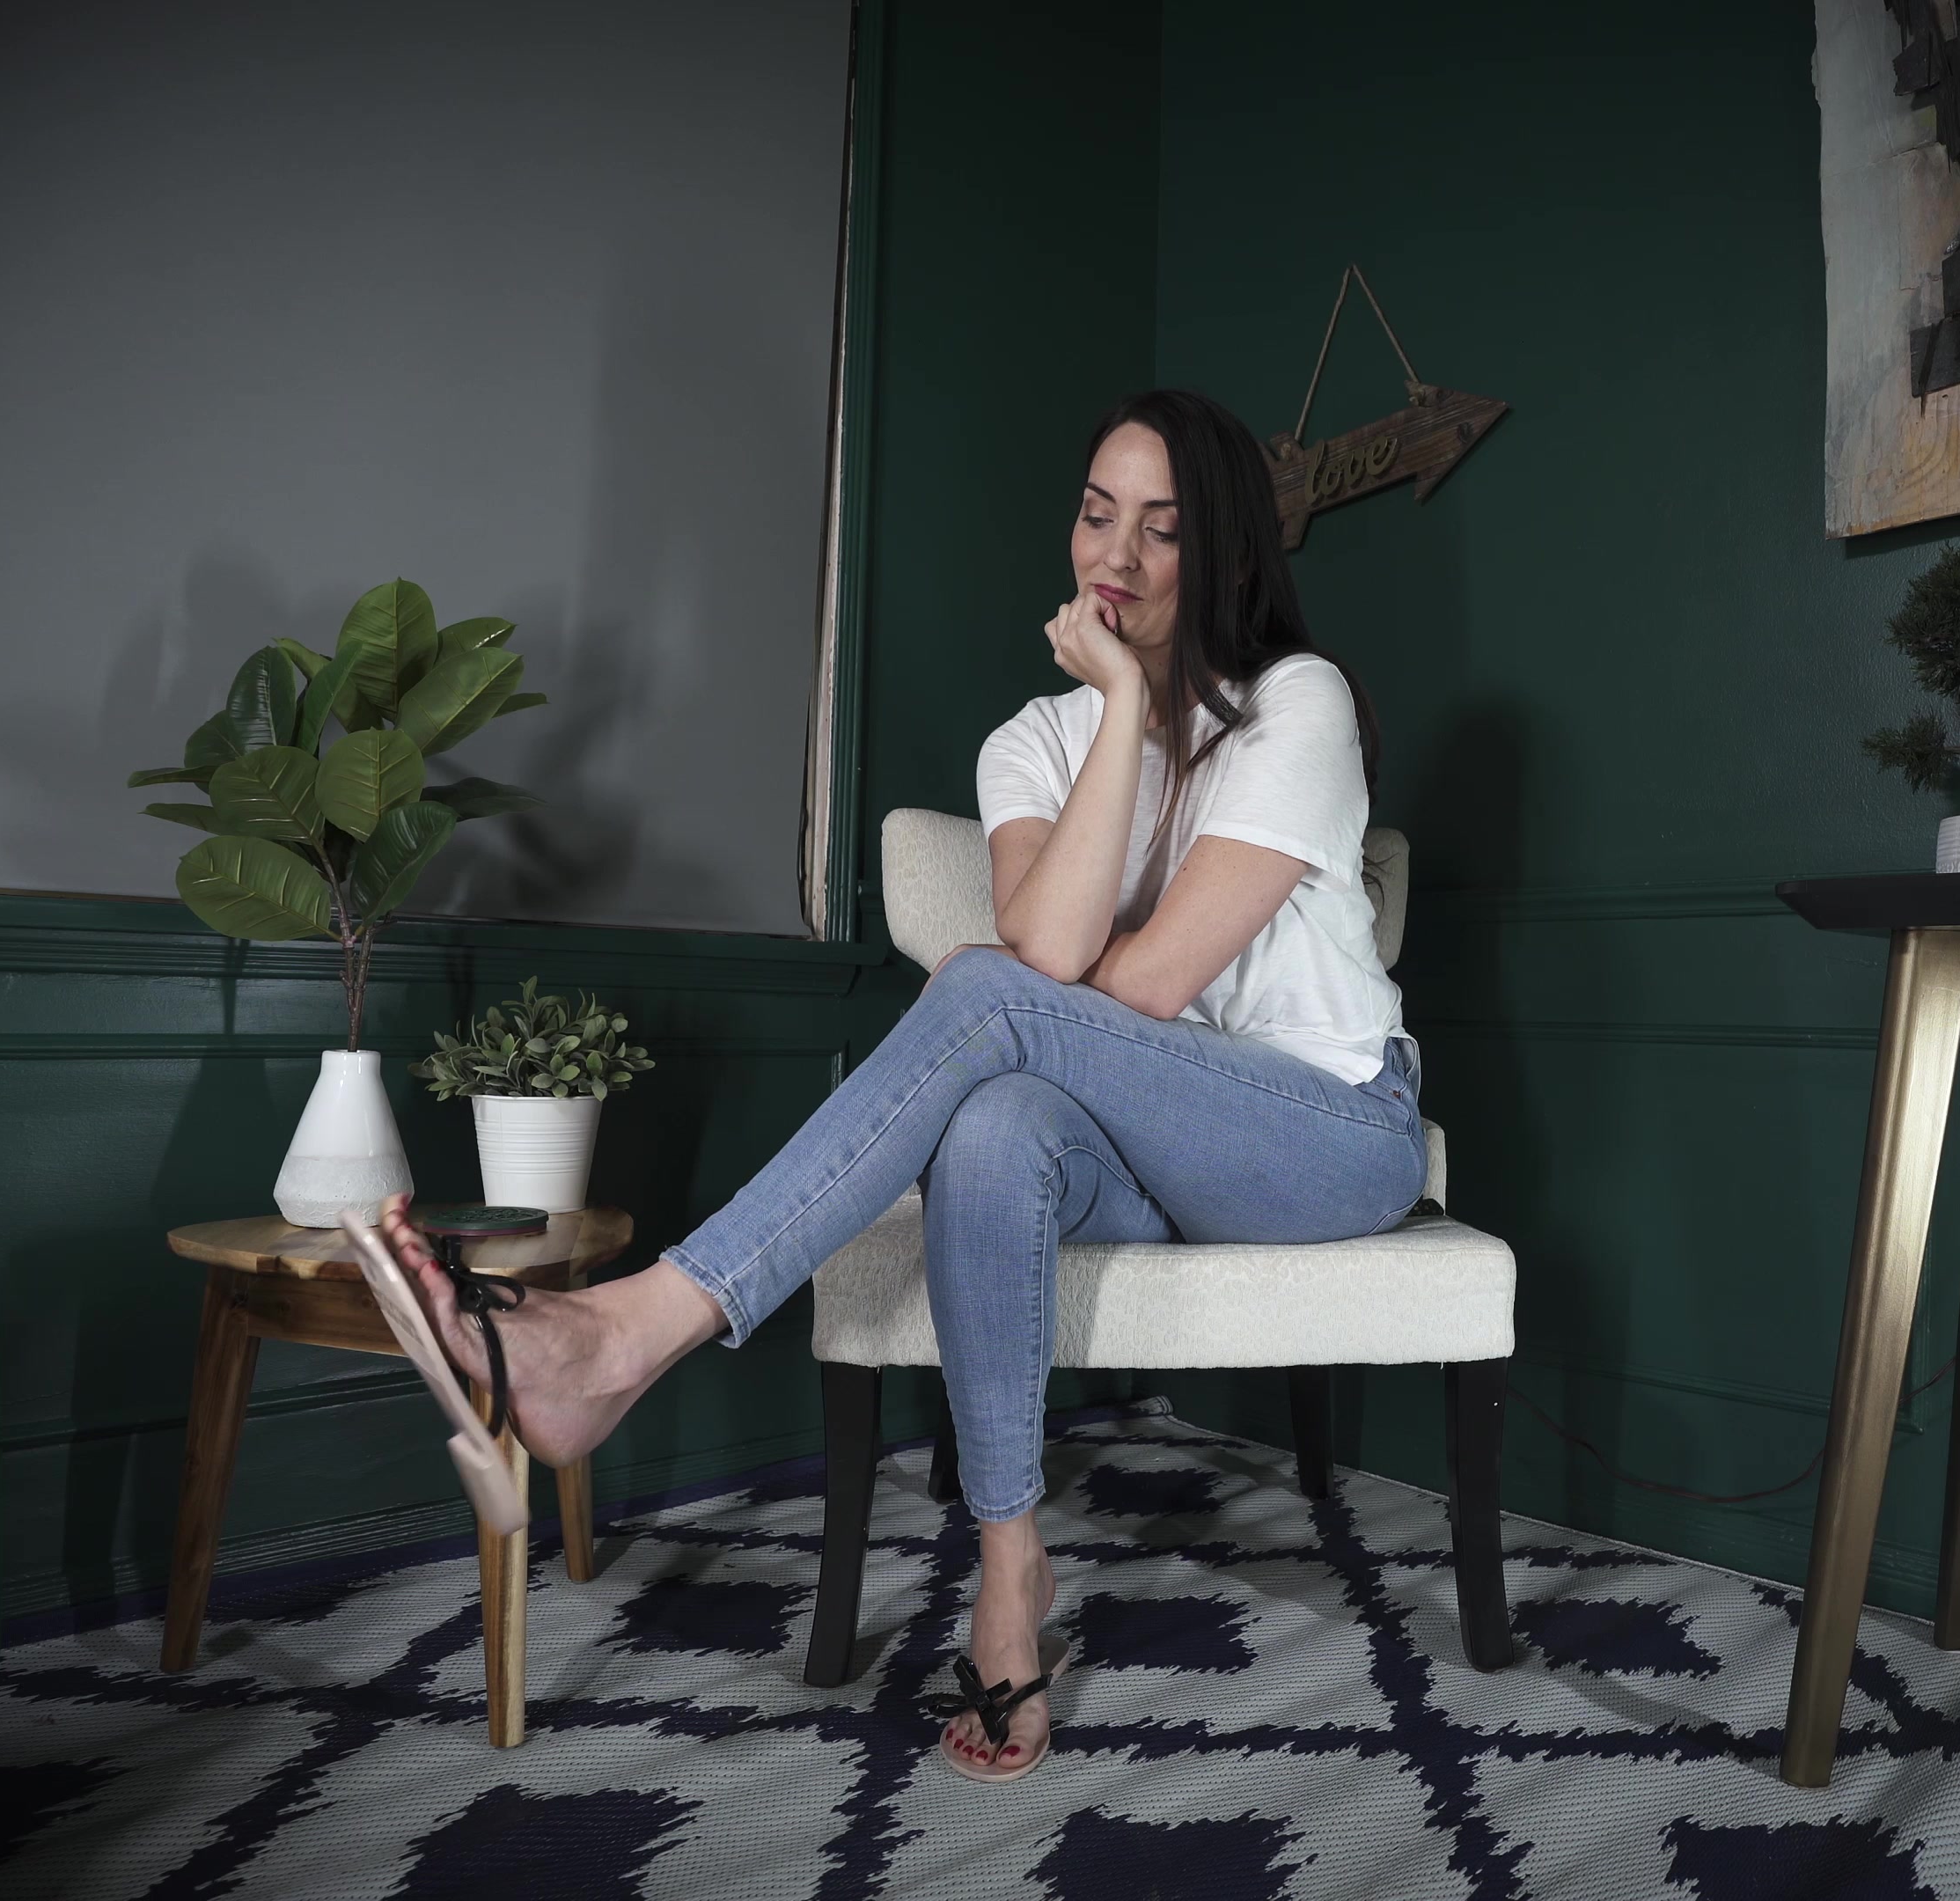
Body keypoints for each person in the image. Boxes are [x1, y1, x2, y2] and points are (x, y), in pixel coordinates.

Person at [373, 387, 1424, 1784]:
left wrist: (1126, 701)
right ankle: (1011, 1570)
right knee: (992, 1125)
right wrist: (1116, 714)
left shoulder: (1301, 701)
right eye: (1096, 515)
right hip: (1145, 1147)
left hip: (1323, 1134)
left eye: (1163, 530)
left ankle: (633, 1334)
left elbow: (1130, 988)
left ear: (1226, 552)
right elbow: (1057, 958)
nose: (1115, 556)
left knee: (984, 991)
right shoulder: (1030, 744)